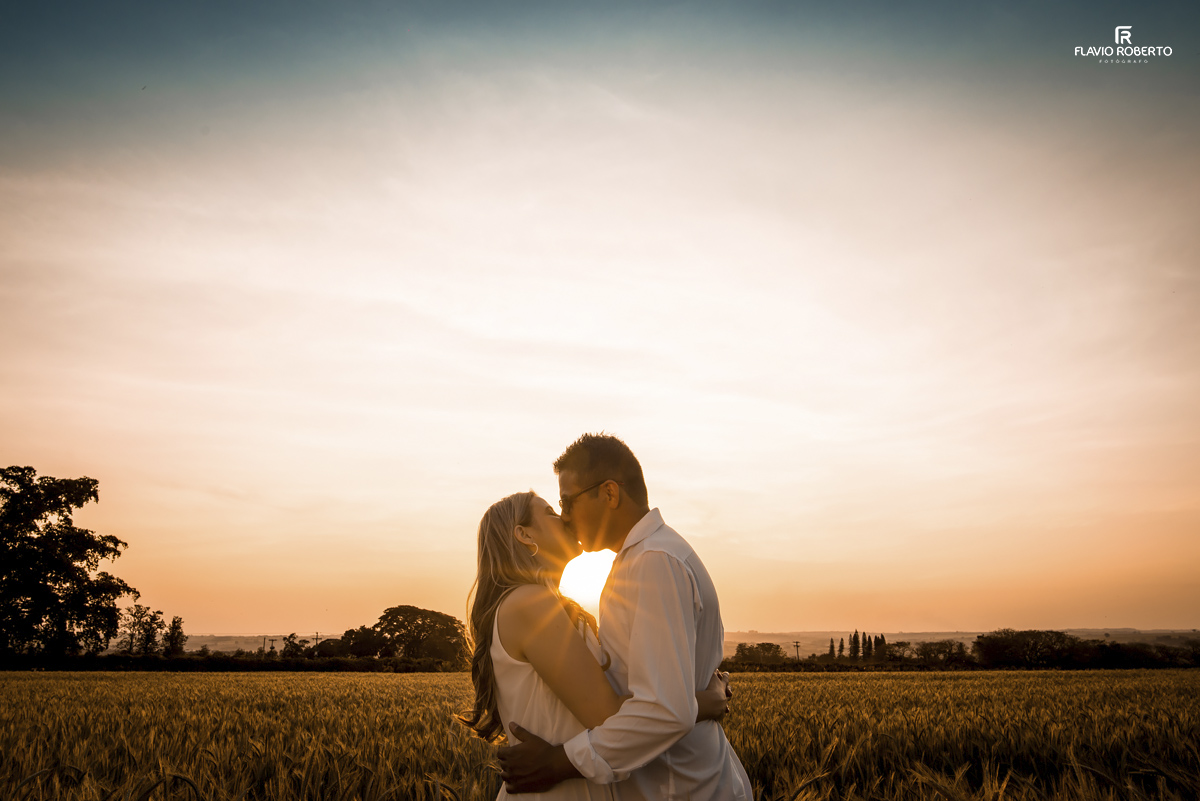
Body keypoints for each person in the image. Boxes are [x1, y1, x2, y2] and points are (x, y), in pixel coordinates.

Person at [498, 434, 751, 800]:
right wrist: (701, 701)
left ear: (610, 494)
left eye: (567, 502)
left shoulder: (653, 563)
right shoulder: (641, 561)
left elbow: (664, 710)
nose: (565, 516)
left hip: (679, 787)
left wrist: (559, 763)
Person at [457, 489, 732, 800]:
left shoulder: (539, 605)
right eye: (549, 511)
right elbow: (609, 716)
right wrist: (707, 700)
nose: (564, 517)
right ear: (523, 534)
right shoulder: (530, 604)